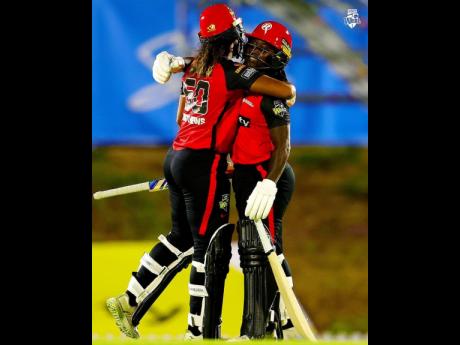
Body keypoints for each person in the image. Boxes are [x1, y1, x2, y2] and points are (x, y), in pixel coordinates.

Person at [106, 3, 296, 340]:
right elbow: (287, 92)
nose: (249, 45)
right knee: (206, 247)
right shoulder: (234, 73)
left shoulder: (196, 67)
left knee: (180, 236)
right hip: (202, 163)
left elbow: (182, 117)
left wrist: (177, 62)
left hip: (177, 153)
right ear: (230, 36)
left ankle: (131, 297)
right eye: (242, 33)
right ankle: (191, 326)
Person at [230, 21, 300, 339]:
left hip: (266, 177)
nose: (256, 52)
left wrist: (269, 183)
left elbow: (283, 146)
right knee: (251, 255)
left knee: (265, 252)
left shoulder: (272, 92)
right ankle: (259, 326)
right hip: (246, 175)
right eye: (254, 44)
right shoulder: (245, 80)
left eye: (265, 48)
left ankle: (269, 323)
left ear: (278, 57)